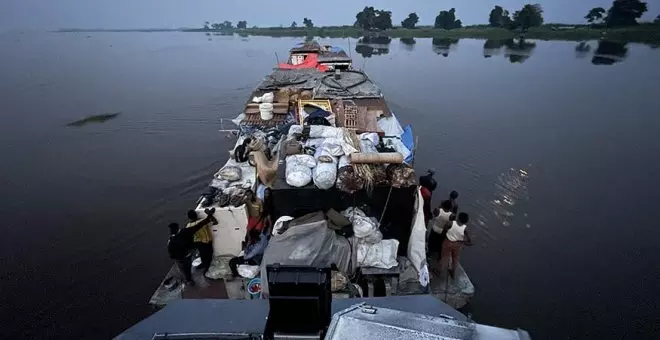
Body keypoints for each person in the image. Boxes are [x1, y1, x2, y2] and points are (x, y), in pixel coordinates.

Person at [167, 208, 217, 284]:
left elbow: (171, 253)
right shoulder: (185, 231)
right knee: (208, 254)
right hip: (190, 253)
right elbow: (199, 225)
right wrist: (209, 216)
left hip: (181, 257)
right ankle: (207, 267)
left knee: (184, 270)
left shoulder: (170, 241)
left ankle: (189, 280)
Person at [440, 212, 472, 278]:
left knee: (444, 257)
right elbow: (470, 241)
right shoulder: (465, 229)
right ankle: (453, 273)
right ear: (466, 221)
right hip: (457, 245)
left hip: (448, 242)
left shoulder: (450, 223)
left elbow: (444, 231)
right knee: (455, 259)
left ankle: (439, 271)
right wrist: (462, 242)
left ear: (458, 217)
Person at [186, 209, 217, 273]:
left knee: (203, 255)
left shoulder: (188, 226)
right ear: (196, 215)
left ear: (189, 218)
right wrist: (209, 214)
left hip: (199, 242)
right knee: (209, 254)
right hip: (208, 240)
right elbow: (215, 222)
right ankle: (207, 266)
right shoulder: (202, 221)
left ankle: (205, 265)